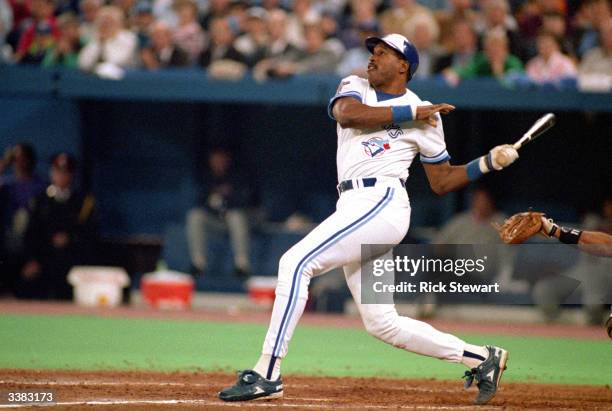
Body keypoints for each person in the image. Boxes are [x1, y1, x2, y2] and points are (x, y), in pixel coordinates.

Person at [219, 33, 521, 405]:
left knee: (295, 263)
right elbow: (347, 116)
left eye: (383, 53)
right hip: (353, 204)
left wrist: (488, 163)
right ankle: (483, 357)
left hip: (383, 202)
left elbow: (442, 181)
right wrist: (412, 114)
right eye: (373, 52)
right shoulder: (357, 86)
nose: (372, 58)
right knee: (383, 323)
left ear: (404, 65)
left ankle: (267, 373)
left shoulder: (426, 113)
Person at [16, 153, 98, 300]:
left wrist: (70, 239)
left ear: (72, 175)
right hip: (43, 261)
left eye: (65, 172)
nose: (61, 176)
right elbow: (30, 234)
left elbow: (90, 233)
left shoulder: (83, 202)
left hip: (71, 263)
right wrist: (31, 259)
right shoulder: (39, 200)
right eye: (57, 171)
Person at [186, 148, 256, 279]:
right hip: (216, 220)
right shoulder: (206, 177)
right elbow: (199, 201)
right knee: (195, 216)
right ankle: (198, 263)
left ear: (227, 160)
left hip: (239, 220)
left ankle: (241, 265)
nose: (218, 162)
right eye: (215, 159)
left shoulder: (238, 176)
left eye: (221, 159)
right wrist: (212, 198)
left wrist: (228, 198)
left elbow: (248, 201)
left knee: (235, 216)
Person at [0, 143, 46, 295]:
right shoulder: (6, 184)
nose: (19, 163)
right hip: (6, 242)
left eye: (23, 158)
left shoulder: (41, 186)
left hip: (31, 247)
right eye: (16, 159)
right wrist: (5, 162)